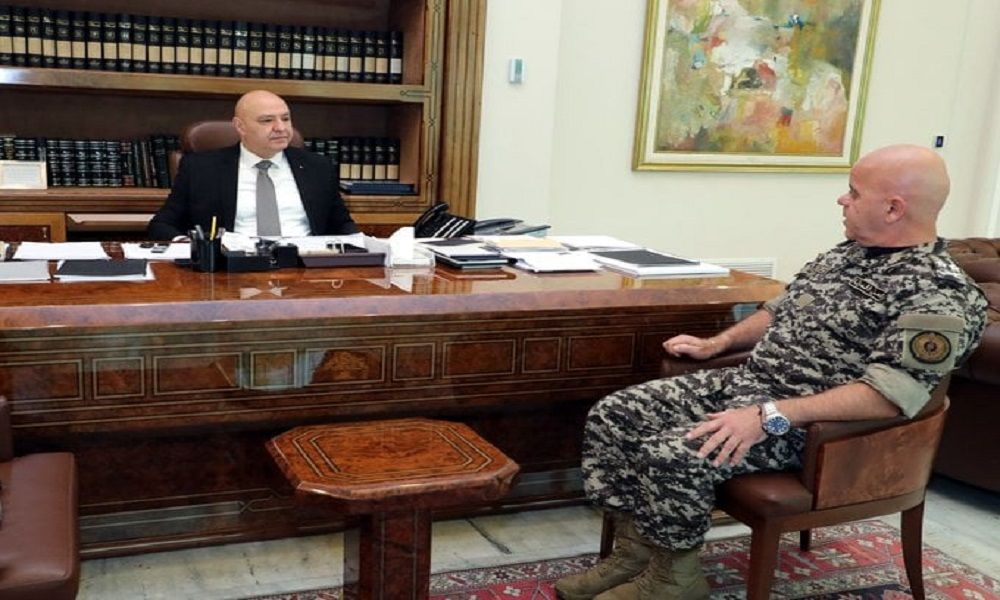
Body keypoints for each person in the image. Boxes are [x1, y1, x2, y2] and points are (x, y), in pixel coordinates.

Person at [554, 144, 988, 600]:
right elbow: (778, 311)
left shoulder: (939, 294)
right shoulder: (848, 254)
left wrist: (769, 416)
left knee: (671, 453)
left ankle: (674, 579)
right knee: (615, 414)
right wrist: (718, 343)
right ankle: (636, 553)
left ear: (893, 208)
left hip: (816, 429)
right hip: (750, 386)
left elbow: (887, 396)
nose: (842, 200)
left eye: (854, 192)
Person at [148, 90, 358, 240]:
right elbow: (162, 225)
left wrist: (363, 245)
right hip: (230, 269)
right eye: (267, 120)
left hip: (304, 267)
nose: (280, 128)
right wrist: (190, 246)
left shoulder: (317, 167)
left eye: (285, 119)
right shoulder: (201, 169)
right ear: (240, 126)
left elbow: (342, 224)